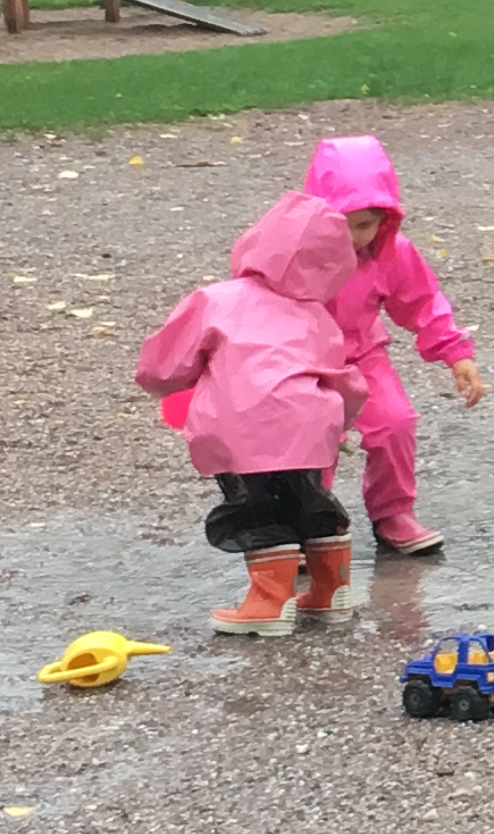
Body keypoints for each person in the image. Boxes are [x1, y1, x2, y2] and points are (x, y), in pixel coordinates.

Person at [135, 188, 369, 637]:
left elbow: (167, 364)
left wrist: (156, 382)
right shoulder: (316, 313)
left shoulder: (217, 300)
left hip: (244, 420)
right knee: (307, 495)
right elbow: (332, 366)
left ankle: (268, 602)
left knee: (255, 503)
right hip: (310, 418)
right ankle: (331, 590)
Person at [301, 133, 483, 557]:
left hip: (363, 355)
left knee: (395, 423)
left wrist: (456, 353)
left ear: (384, 219)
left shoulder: (391, 253)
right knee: (308, 439)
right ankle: (308, 523)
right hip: (303, 362)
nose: (353, 237)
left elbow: (422, 302)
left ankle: (393, 513)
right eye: (340, 225)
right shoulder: (295, 254)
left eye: (364, 225)